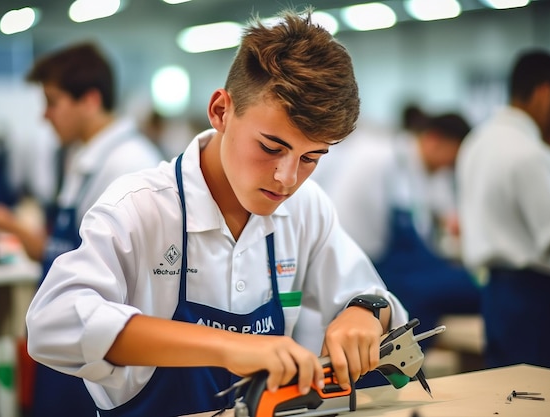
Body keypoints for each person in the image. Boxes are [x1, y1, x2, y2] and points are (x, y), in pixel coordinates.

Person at [25, 9, 408, 417]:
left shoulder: (305, 208)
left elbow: (372, 295)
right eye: (271, 147)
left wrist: (365, 313)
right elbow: (53, 322)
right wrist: (230, 346)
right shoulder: (140, 207)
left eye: (311, 157)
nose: (287, 178)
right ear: (221, 111)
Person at [0, 42, 164, 416]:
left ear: (89, 100)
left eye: (52, 102)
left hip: (97, 355)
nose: (44, 116)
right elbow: (63, 254)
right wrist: (9, 224)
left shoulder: (129, 165)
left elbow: (140, 287)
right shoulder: (85, 156)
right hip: (73, 340)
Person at [456, 49, 550, 371]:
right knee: (547, 400)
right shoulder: (531, 153)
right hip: (538, 301)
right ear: (544, 92)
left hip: (497, 296)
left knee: (507, 393)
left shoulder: (477, 142)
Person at [324, 113, 481, 345]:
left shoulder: (417, 167)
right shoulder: (386, 160)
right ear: (434, 140)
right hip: (373, 267)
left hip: (391, 265)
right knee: (464, 289)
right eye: (452, 158)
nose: (449, 167)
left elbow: (440, 214)